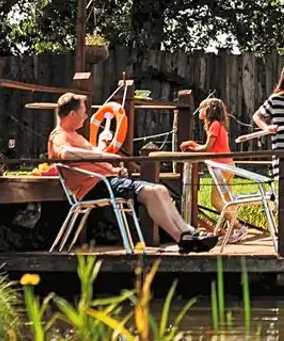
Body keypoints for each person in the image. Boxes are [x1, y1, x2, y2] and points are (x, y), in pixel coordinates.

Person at [49, 91, 215, 251]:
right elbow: (66, 153)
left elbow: (92, 160)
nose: (85, 117)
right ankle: (181, 237)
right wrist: (102, 154)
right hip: (94, 186)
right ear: (72, 114)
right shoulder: (60, 136)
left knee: (160, 189)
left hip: (107, 181)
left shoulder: (76, 136)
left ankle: (187, 232)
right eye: (83, 113)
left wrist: (104, 149)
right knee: (151, 192)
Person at [179, 96, 244, 239]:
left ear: (209, 110)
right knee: (228, 200)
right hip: (228, 165)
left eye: (202, 108)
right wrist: (192, 143)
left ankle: (239, 227)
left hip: (220, 167)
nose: (200, 111)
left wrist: (191, 150)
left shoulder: (214, 125)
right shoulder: (218, 125)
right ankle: (235, 230)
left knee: (216, 201)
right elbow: (211, 147)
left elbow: (207, 148)